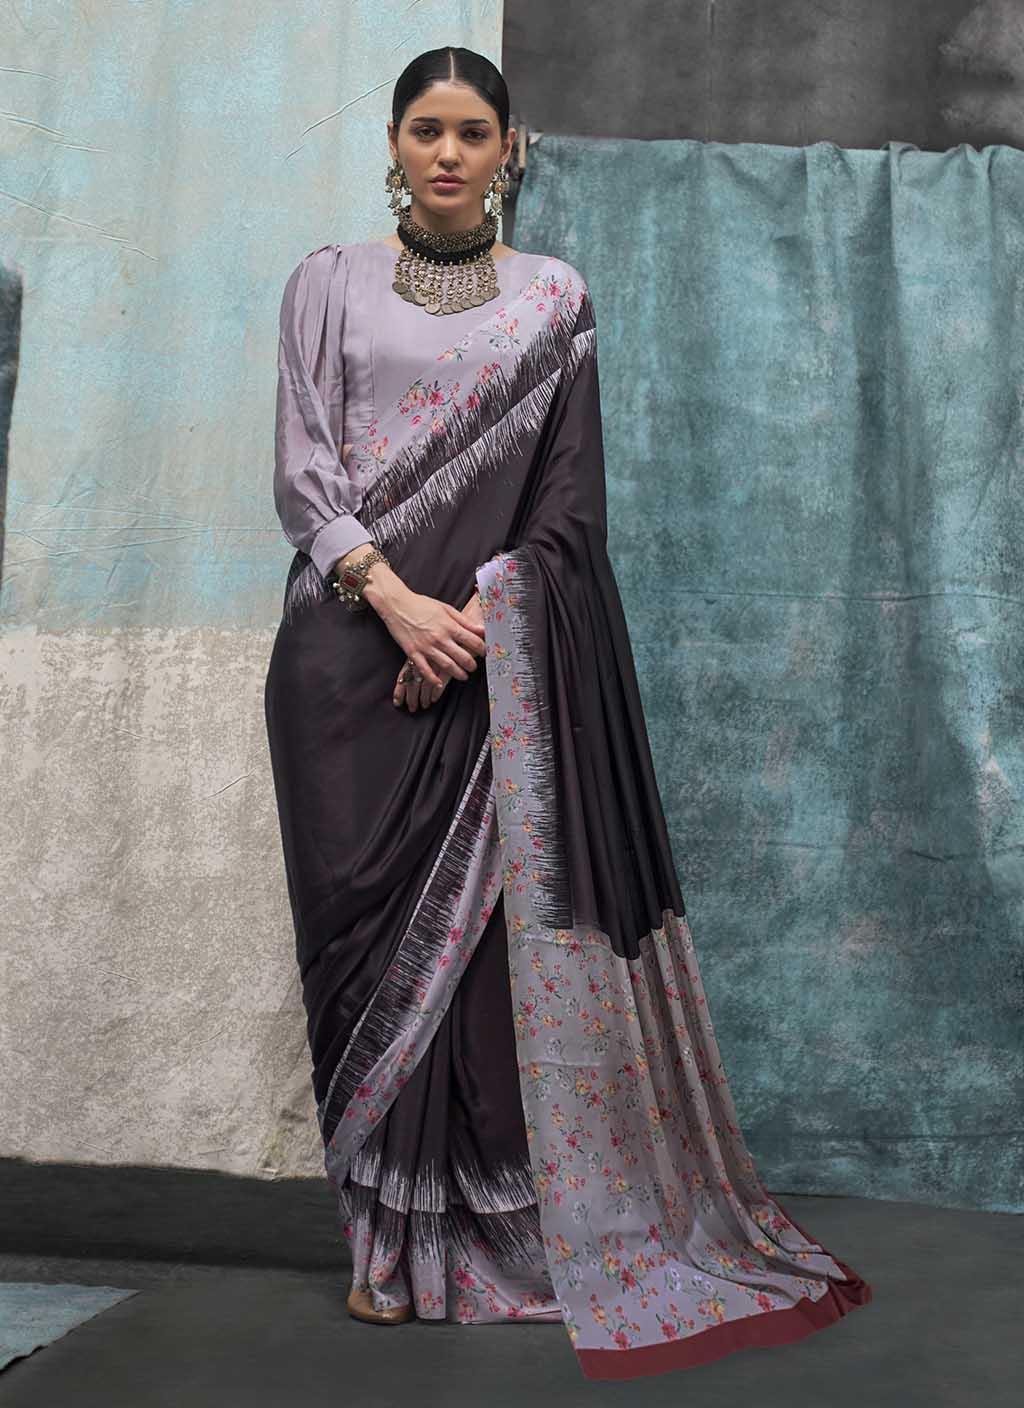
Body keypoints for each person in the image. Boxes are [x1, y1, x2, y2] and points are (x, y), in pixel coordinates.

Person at [263, 44, 872, 1382]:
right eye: (425, 130)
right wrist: (399, 608)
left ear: (509, 148)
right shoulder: (327, 283)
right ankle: (379, 1244)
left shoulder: (555, 299)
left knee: (479, 970)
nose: (447, 153)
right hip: (343, 669)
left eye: (472, 132)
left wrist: (475, 623)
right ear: (393, 144)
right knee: (359, 962)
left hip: (490, 669)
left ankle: (477, 1238)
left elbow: (567, 509)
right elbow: (305, 474)